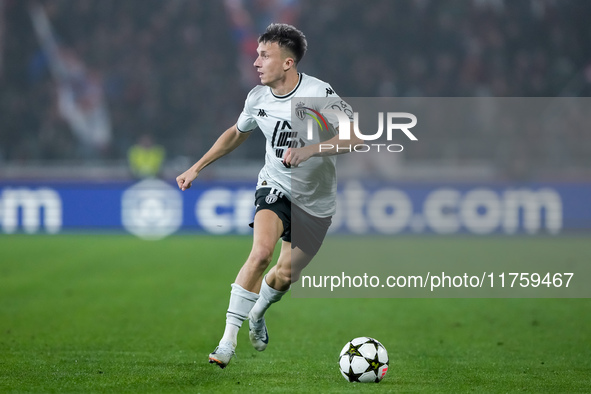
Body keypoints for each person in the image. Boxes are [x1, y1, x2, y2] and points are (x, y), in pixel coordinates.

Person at [176, 23, 361, 369]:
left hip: (316, 201)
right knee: (260, 254)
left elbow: (355, 138)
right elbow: (236, 133)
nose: (256, 62)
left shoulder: (319, 94)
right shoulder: (257, 98)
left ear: (288, 63)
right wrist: (197, 167)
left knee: (285, 274)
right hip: (274, 186)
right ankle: (227, 341)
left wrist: (312, 150)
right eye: (256, 55)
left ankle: (258, 312)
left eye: (264, 56)